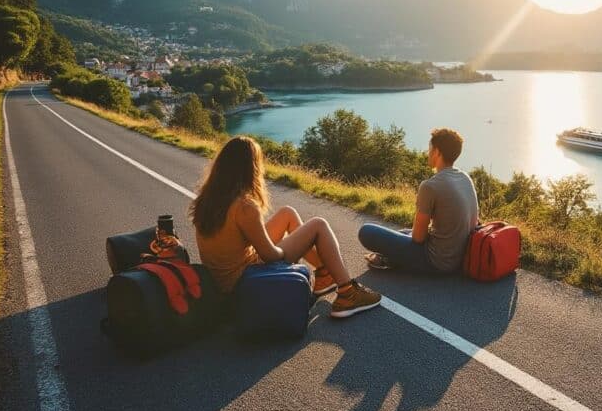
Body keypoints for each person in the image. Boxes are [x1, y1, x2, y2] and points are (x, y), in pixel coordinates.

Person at [191, 136, 381, 318]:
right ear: (251, 169)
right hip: (242, 282)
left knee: (287, 214)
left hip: (222, 280)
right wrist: (290, 248)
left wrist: (292, 242)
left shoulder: (208, 198)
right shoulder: (244, 206)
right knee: (318, 225)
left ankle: (325, 274)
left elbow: (239, 240)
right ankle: (348, 294)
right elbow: (270, 256)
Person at [358, 128, 479, 273]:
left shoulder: (429, 186)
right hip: (460, 258)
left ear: (437, 152)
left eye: (430, 148)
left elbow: (418, 239)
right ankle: (390, 257)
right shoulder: (465, 178)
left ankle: (391, 258)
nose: (428, 152)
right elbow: (472, 222)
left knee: (366, 231)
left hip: (437, 262)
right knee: (402, 232)